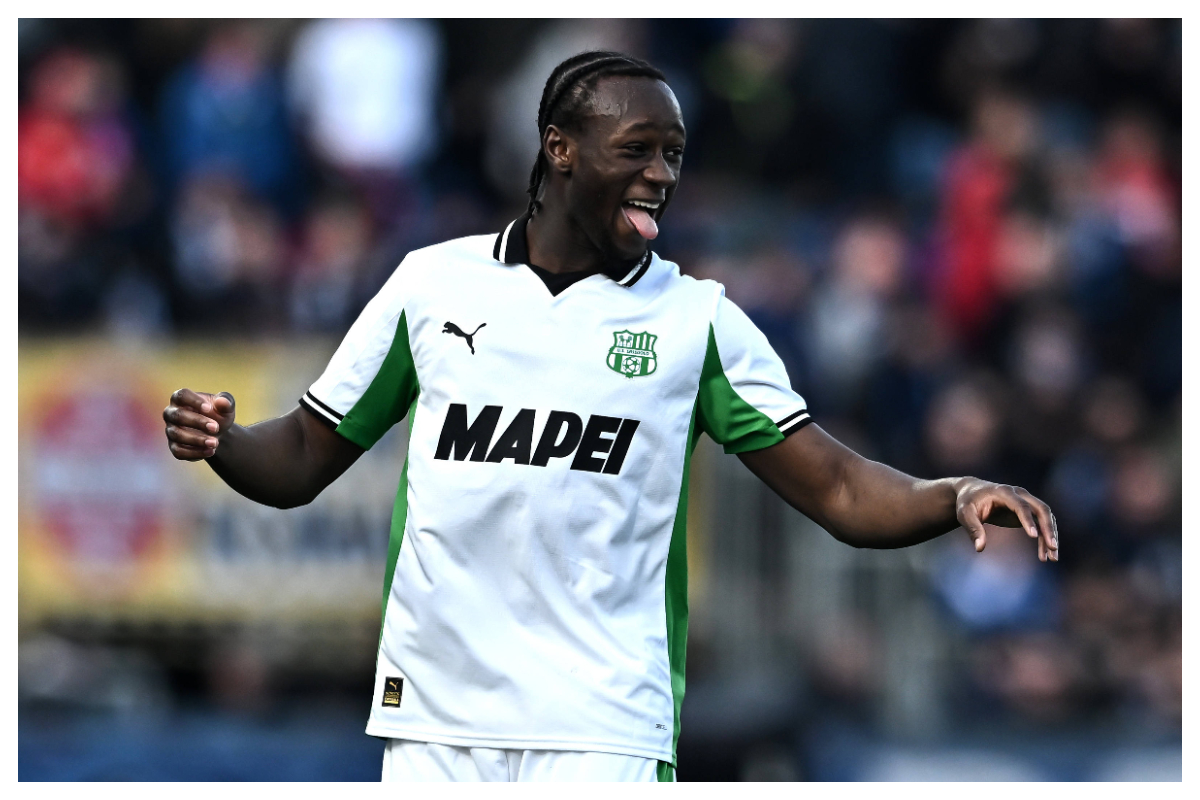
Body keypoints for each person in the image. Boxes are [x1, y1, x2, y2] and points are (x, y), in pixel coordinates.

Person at [162, 51, 1059, 782]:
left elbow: (838, 487)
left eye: (673, 154)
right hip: (435, 719)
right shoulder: (430, 286)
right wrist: (227, 443)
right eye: (638, 150)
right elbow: (305, 456)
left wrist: (953, 494)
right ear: (560, 148)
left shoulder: (696, 320)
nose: (661, 175)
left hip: (602, 728)